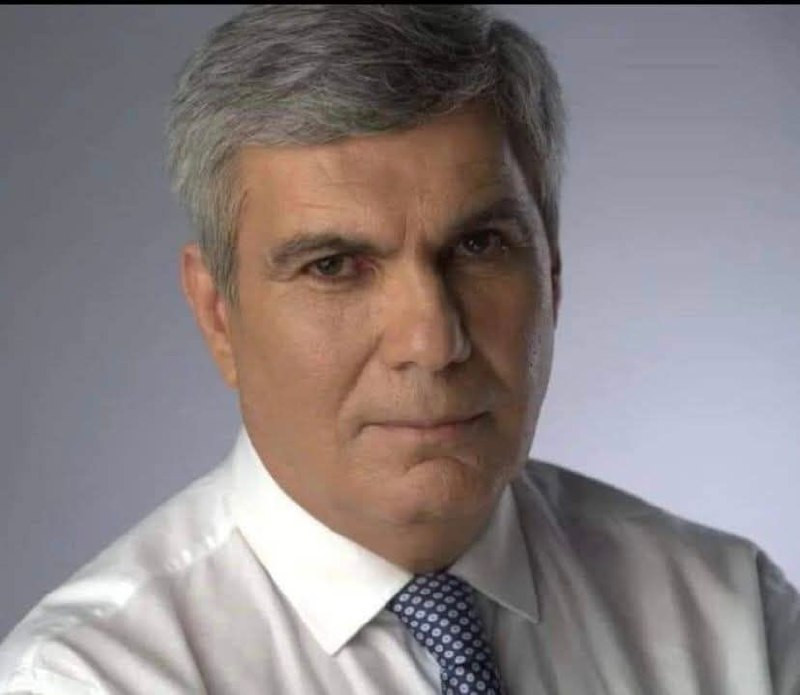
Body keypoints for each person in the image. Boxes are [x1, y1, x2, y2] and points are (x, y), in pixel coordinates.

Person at [1, 5, 797, 694]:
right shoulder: (86, 678)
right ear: (218, 314)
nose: (433, 341)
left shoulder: (733, 620)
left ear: (551, 275)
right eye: (333, 265)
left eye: (479, 245)